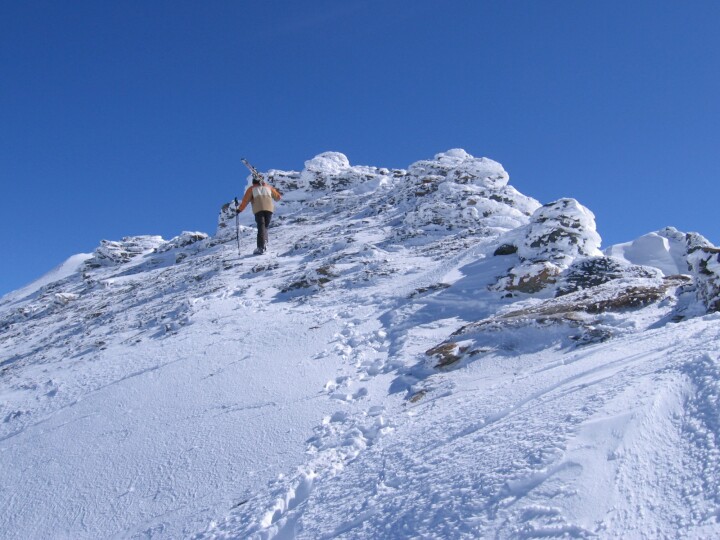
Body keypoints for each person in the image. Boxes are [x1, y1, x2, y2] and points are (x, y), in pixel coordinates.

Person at [236, 175, 282, 254]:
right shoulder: (268, 187)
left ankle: (261, 247)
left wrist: (239, 209)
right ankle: (265, 243)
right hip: (269, 209)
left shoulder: (252, 189)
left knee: (261, 227)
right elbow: (278, 197)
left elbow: (245, 200)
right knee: (265, 227)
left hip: (258, 209)